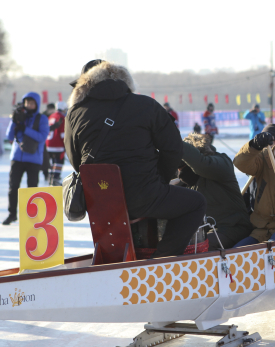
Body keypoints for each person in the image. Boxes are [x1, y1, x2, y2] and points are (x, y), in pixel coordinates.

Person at [65, 60, 206, 258]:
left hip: (101, 199)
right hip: (144, 195)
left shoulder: (74, 113)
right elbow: (173, 148)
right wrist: (160, 180)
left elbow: (75, 160)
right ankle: (162, 260)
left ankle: (115, 258)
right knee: (196, 202)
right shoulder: (146, 105)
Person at [179, 133, 253, 251]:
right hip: (206, 230)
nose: (179, 171)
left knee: (198, 247)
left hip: (232, 228)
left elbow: (201, 164)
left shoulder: (221, 164)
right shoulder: (185, 181)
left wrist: (173, 140)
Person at [3, 92, 50, 225]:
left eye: (32, 103)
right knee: (13, 187)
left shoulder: (42, 119)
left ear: (37, 104)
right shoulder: (20, 116)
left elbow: (42, 137)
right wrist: (15, 121)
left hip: (34, 159)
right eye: (27, 102)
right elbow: (10, 136)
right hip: (17, 157)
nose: (29, 105)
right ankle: (12, 213)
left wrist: (25, 128)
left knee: (32, 189)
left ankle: (32, 216)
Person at [46, 101, 68, 186]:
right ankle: (55, 178)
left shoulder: (51, 116)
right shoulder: (62, 117)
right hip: (57, 144)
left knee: (52, 162)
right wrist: (66, 145)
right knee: (58, 162)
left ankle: (51, 177)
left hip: (48, 144)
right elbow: (63, 134)